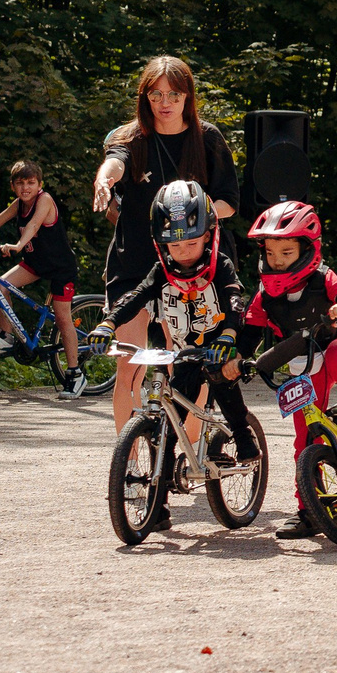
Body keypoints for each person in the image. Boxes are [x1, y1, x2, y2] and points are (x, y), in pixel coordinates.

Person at [93, 57, 237, 426]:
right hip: (135, 263)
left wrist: (193, 217)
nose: (165, 102)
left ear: (187, 95)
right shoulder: (131, 137)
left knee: (189, 365)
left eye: (173, 93)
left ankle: (189, 453)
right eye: (156, 94)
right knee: (129, 368)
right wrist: (104, 181)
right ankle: (131, 466)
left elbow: (229, 203)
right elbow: (116, 162)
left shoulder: (207, 138)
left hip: (196, 268)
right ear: (145, 97)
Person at [102, 181, 256, 516]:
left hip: (220, 344)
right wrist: (108, 323)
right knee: (168, 427)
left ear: (208, 235)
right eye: (174, 244)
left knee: (223, 386)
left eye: (191, 241)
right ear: (161, 244)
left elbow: (234, 301)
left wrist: (229, 335)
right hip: (186, 349)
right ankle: (158, 504)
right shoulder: (162, 270)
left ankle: (245, 439)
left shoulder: (221, 266)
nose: (183, 250)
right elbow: (136, 297)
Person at [239, 200, 337, 536]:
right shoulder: (264, 296)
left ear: (308, 251)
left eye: (286, 253)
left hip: (333, 345)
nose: (277, 261)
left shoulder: (324, 278)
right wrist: (239, 361)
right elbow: (248, 334)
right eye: (271, 253)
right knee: (303, 442)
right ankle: (308, 512)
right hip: (301, 365)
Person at [0, 159, 86, 397]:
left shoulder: (45, 200)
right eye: (20, 183)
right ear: (13, 186)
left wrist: (19, 244)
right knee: (0, 286)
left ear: (39, 184)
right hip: (35, 264)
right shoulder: (18, 204)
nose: (25, 188)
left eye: (30, 182)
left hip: (61, 267)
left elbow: (33, 226)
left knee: (62, 318)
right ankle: (6, 337)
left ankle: (75, 374)